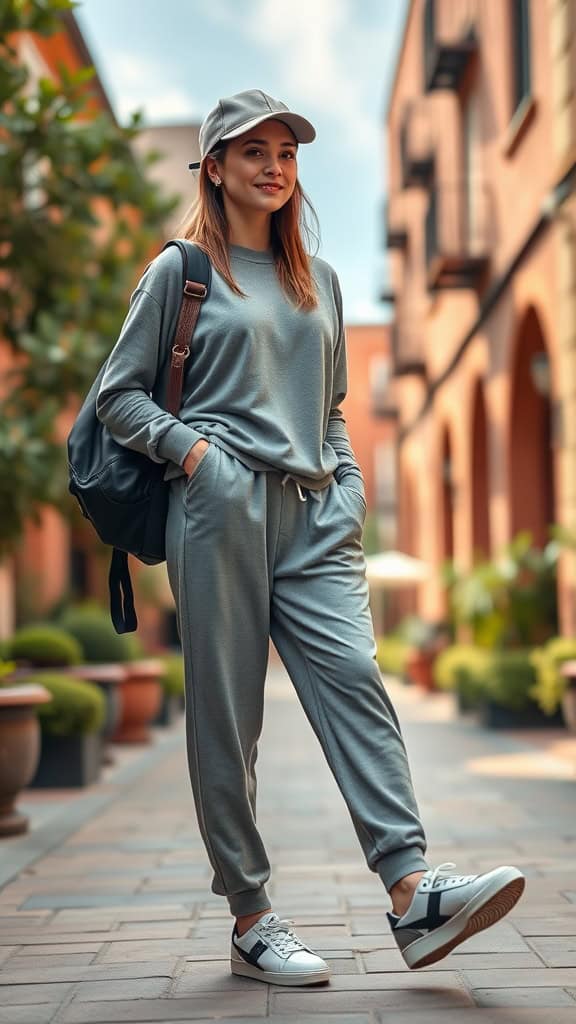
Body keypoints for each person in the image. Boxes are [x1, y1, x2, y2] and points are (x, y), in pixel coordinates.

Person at [96, 89, 526, 987]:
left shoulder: (317, 281)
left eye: (286, 150)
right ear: (213, 166)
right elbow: (119, 397)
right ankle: (251, 916)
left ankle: (413, 894)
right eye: (253, 150)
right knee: (230, 717)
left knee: (356, 679)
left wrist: (351, 487)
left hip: (315, 511)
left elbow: (329, 410)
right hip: (218, 508)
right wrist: (197, 456)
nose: (274, 164)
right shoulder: (182, 270)